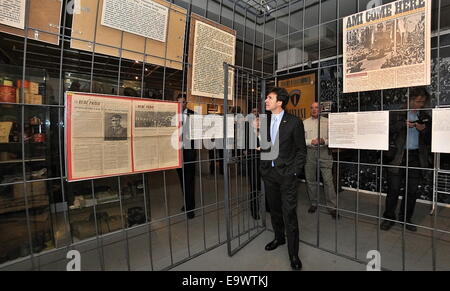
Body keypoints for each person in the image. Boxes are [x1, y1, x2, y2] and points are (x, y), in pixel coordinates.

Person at [260, 87, 307, 271]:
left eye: (269, 98)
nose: (266, 101)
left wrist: (293, 172)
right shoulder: (264, 121)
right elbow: (265, 146)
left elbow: (301, 151)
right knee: (275, 210)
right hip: (269, 174)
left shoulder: (294, 122)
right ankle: (279, 238)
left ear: (279, 102)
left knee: (289, 214)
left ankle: (293, 254)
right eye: (266, 97)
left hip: (287, 176)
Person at [381, 87, 432, 232]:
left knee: (412, 191)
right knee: (393, 189)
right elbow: (387, 130)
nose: (420, 105)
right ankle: (389, 218)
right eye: (417, 101)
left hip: (416, 157)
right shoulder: (398, 113)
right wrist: (403, 124)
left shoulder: (426, 115)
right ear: (410, 100)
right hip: (397, 156)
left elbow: (430, 139)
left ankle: (405, 219)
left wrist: (424, 130)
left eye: (422, 102)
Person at [303, 102, 338, 219]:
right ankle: (314, 203)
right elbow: (301, 139)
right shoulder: (304, 123)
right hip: (309, 153)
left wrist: (325, 141)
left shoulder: (328, 122)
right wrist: (310, 142)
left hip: (324, 152)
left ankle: (332, 207)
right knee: (310, 179)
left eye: (316, 108)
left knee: (328, 181)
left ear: (321, 109)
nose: (314, 110)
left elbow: (333, 138)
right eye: (312, 108)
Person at [177, 95, 197, 219]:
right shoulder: (172, 114)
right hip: (177, 153)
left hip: (189, 152)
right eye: (179, 102)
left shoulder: (193, 114)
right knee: (181, 180)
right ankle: (187, 203)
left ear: (186, 102)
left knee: (189, 180)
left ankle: (190, 209)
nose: (181, 104)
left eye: (183, 102)